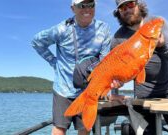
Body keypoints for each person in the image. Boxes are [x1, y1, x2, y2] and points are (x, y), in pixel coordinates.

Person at [31, 0, 119, 134]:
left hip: (89, 89)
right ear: (73, 8)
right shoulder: (61, 29)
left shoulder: (104, 28)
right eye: (82, 5)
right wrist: (54, 63)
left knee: (84, 128)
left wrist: (109, 85)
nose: (87, 9)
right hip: (63, 88)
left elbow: (104, 60)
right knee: (59, 128)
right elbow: (37, 42)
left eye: (91, 5)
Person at [109, 0, 168, 135]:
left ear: (138, 4)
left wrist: (162, 45)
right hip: (143, 94)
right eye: (122, 8)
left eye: (130, 4)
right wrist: (114, 94)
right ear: (118, 12)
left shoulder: (157, 22)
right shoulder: (117, 39)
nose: (127, 9)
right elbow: (113, 73)